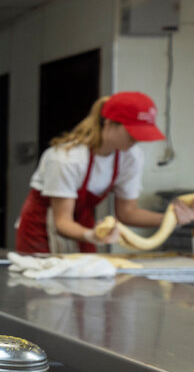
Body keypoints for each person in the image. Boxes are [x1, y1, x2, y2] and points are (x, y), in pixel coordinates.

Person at [15, 91, 194, 253]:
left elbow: (127, 213)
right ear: (109, 124)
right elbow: (62, 222)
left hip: (82, 224)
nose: (137, 139)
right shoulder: (66, 158)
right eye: (132, 132)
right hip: (41, 228)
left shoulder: (130, 156)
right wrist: (92, 236)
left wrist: (171, 219)